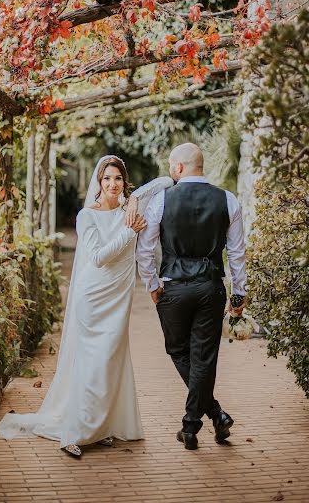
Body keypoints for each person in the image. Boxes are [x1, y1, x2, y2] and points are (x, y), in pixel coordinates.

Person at [0, 155, 173, 457]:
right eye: (107, 179)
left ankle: (101, 426)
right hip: (93, 297)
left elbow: (167, 180)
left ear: (124, 181)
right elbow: (99, 257)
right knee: (93, 364)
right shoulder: (87, 216)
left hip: (119, 298)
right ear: (99, 182)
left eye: (118, 178)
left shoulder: (129, 209)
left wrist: (132, 203)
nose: (113, 184)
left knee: (112, 361)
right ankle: (74, 432)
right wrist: (130, 230)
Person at [135, 143, 246, 451]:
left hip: (173, 287)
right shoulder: (228, 199)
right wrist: (239, 294)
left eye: (172, 167)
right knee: (204, 357)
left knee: (178, 350)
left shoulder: (162, 200)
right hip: (211, 287)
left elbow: (145, 249)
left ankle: (191, 425)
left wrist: (152, 284)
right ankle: (214, 414)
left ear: (179, 168)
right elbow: (236, 252)